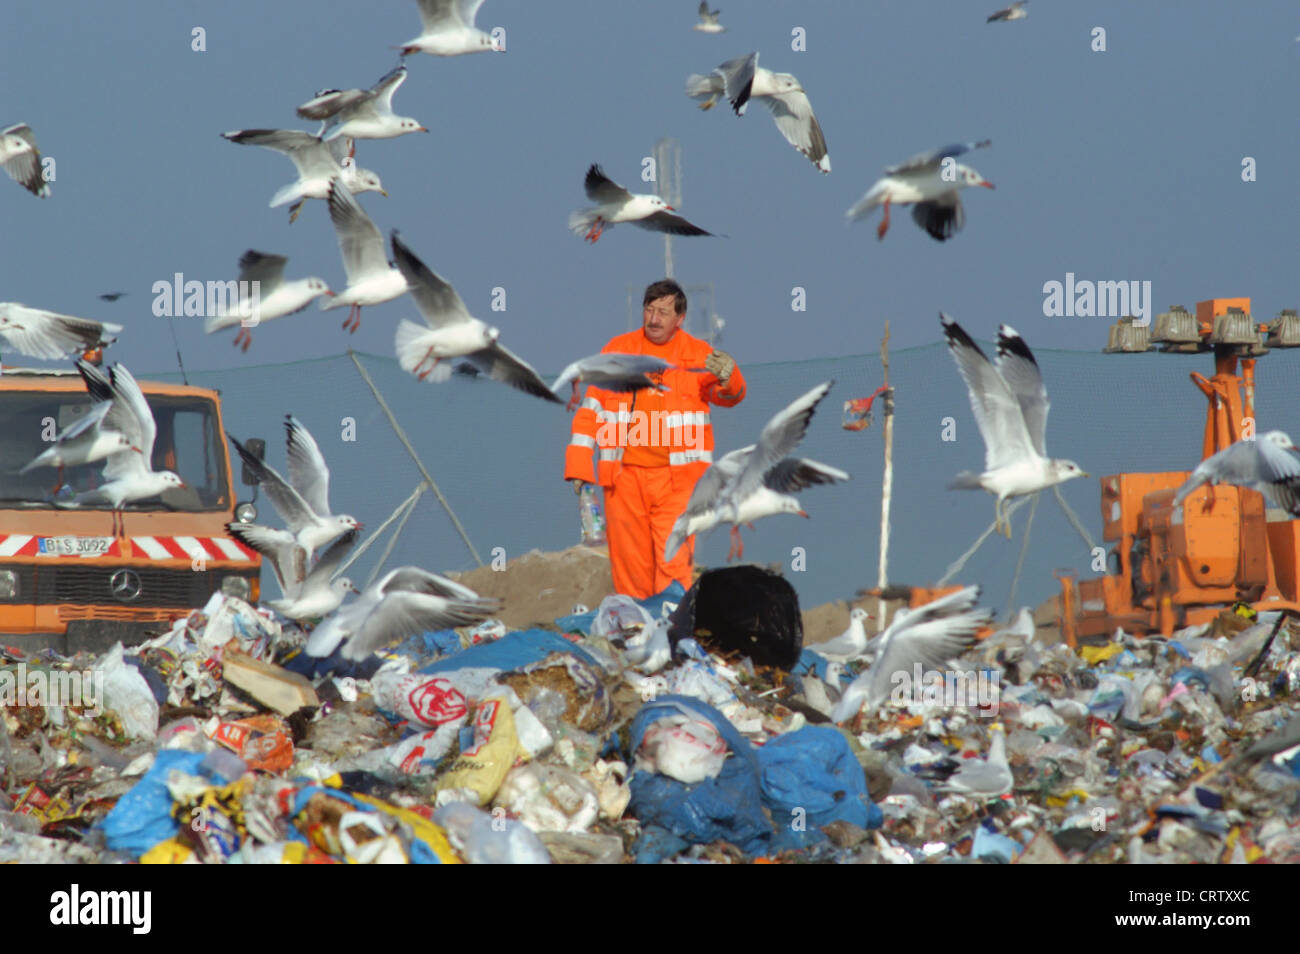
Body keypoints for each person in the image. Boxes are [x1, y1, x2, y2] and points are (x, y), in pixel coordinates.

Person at [564, 279, 745, 598]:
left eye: (663, 311)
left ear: (680, 319)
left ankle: (671, 638)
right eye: (649, 309)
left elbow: (729, 397)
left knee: (672, 566)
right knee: (631, 571)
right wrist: (579, 462)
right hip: (623, 481)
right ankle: (638, 639)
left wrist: (731, 376)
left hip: (678, 484)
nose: (654, 318)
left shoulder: (699, 355)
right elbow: (591, 406)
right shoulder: (618, 351)